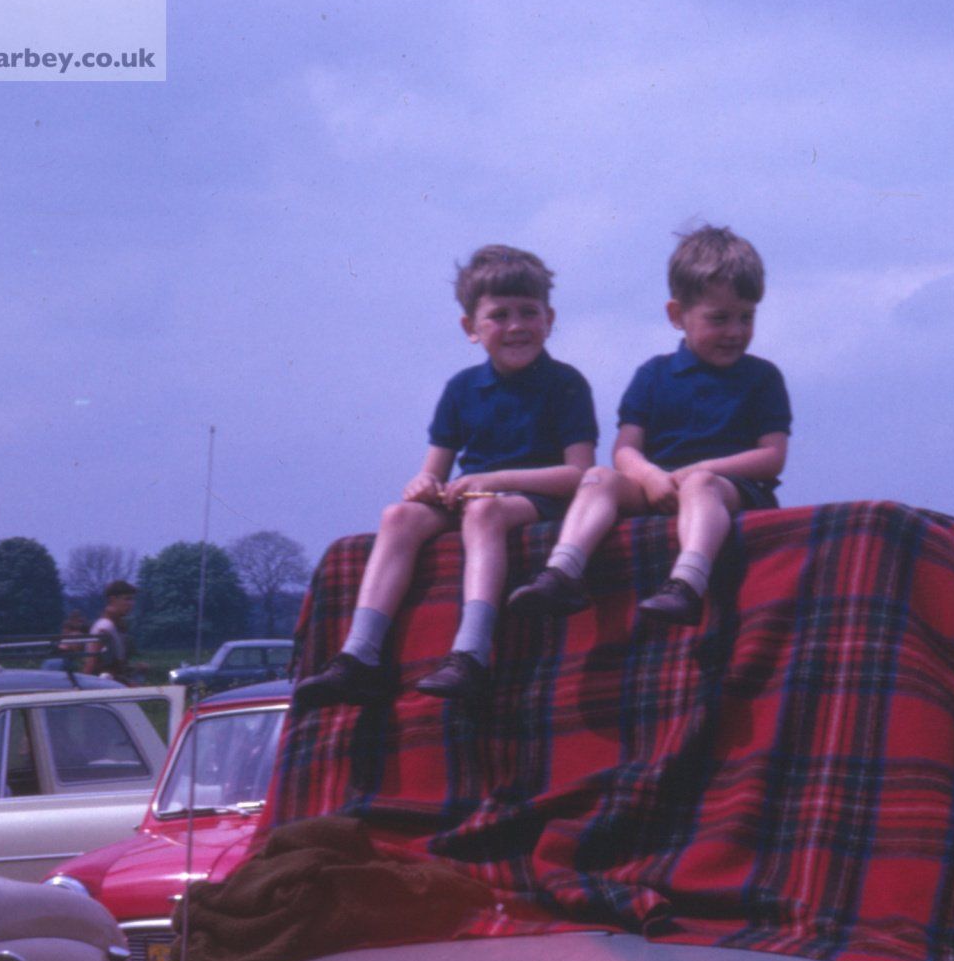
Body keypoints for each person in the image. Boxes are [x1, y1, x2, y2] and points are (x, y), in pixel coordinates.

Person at [295, 245, 597, 707]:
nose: (516, 326)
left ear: (549, 318)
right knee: (398, 516)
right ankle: (359, 655)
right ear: (471, 329)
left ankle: (471, 653)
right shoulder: (461, 390)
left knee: (483, 512)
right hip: (475, 494)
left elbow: (578, 474)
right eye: (499, 315)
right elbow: (432, 472)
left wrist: (496, 480)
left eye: (528, 312)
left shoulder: (566, 383)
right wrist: (422, 487)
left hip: (536, 501)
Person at [508, 225, 790, 628]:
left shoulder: (762, 377)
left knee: (701, 485)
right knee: (600, 476)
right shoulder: (654, 375)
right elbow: (625, 449)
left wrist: (696, 473)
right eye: (719, 318)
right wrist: (650, 475)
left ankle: (687, 584)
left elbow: (771, 457)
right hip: (660, 485)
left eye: (746, 317)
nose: (735, 331)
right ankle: (562, 572)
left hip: (730, 489)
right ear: (678, 315)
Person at [87, 581, 137, 681]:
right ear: (113, 599)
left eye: (132, 599)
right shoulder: (105, 627)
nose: (131, 604)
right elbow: (92, 665)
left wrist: (135, 668)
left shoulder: (115, 626)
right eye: (127, 599)